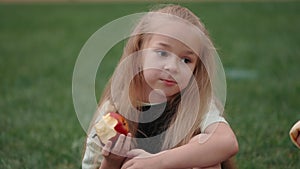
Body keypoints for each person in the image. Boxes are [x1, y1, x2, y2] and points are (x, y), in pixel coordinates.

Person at [82, 4, 239, 169]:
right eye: (162, 53)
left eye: (186, 60)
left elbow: (227, 141)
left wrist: (156, 162)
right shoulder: (114, 110)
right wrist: (112, 161)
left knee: (205, 148)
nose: (172, 67)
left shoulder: (196, 104)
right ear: (137, 53)